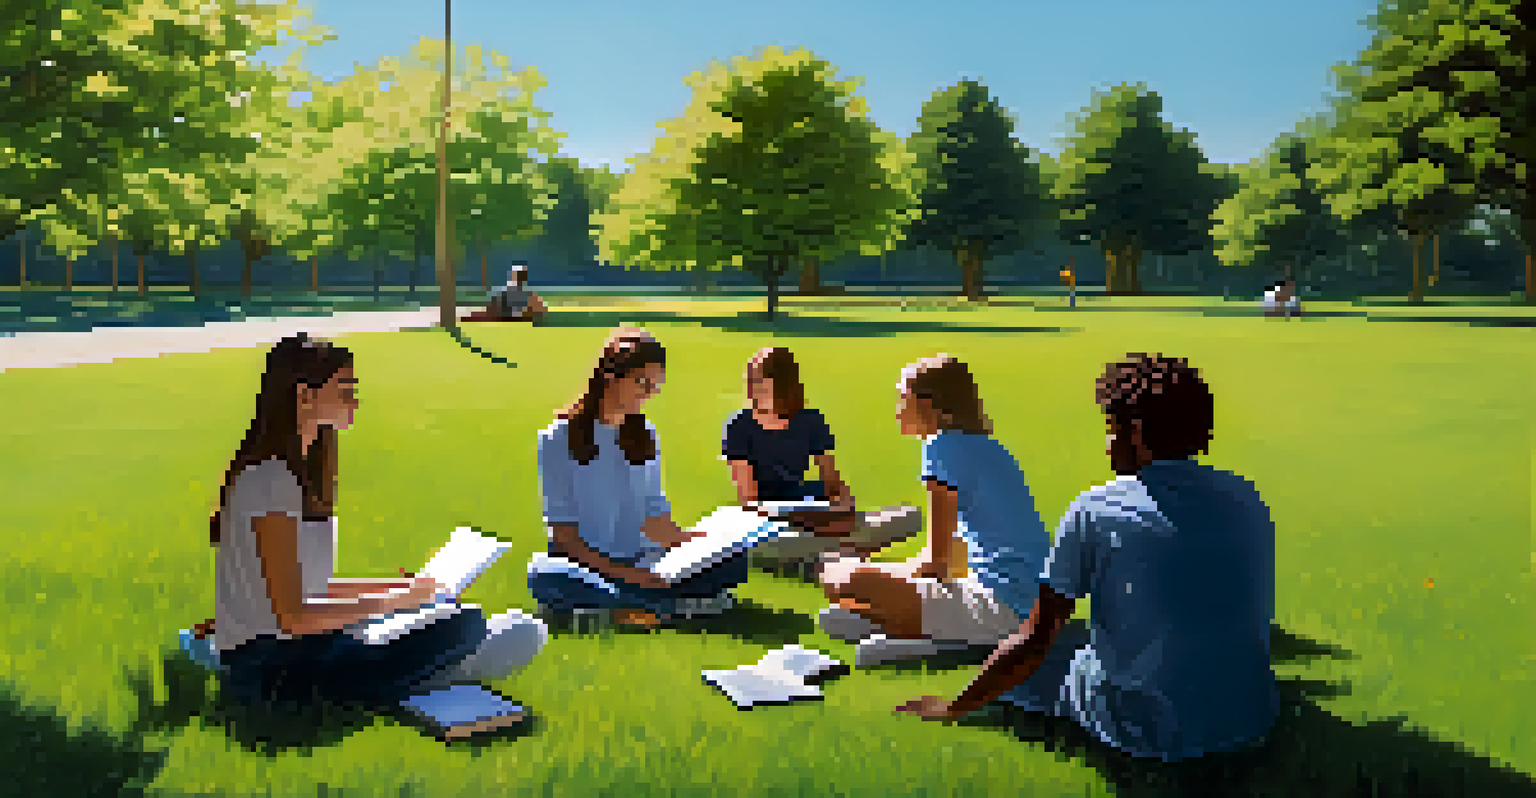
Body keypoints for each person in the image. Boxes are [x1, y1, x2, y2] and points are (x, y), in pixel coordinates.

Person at [897, 353, 1280, 764]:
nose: (1107, 442)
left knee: (1036, 667)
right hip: (1250, 715)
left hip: (1143, 729)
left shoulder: (1097, 510)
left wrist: (954, 707)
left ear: (1134, 433)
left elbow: (1034, 639)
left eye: (1111, 429)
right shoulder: (1246, 497)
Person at [209, 334, 547, 708]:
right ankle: (434, 674)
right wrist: (395, 601)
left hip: (298, 651)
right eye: (344, 389)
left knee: (457, 620)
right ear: (304, 396)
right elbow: (294, 617)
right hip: (273, 669)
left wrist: (409, 589)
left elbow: (310, 588)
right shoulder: (271, 480)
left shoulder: (293, 474)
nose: (355, 400)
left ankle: (426, 671)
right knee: (464, 625)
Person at [816, 354, 1051, 669]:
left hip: (1005, 607)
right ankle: (922, 628)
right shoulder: (984, 445)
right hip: (1029, 602)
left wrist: (860, 569)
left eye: (903, 399)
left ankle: (954, 642)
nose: (898, 410)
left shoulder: (942, 447)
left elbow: (936, 564)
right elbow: (952, 559)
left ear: (928, 405)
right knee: (839, 609)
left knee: (841, 578)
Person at [526, 327, 749, 629]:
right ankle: (668, 606)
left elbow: (654, 516)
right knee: (543, 574)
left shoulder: (646, 435)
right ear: (611, 376)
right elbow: (564, 538)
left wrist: (702, 545)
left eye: (655, 386)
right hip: (589, 565)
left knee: (734, 562)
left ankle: (624, 608)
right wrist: (630, 575)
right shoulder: (557, 438)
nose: (648, 393)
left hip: (645, 561)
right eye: (642, 383)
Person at [722, 346, 921, 568]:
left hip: (804, 501)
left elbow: (833, 485)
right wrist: (798, 518)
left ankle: (825, 545)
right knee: (779, 530)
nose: (758, 393)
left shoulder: (810, 421)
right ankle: (838, 547)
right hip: (766, 514)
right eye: (754, 385)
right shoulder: (739, 427)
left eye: (765, 386)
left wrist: (842, 505)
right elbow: (750, 501)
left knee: (901, 517)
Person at [468, 263, 547, 323]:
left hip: (512, 314)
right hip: (506, 313)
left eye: (522, 275)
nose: (521, 277)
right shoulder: (509, 290)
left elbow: (536, 306)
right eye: (519, 275)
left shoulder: (526, 292)